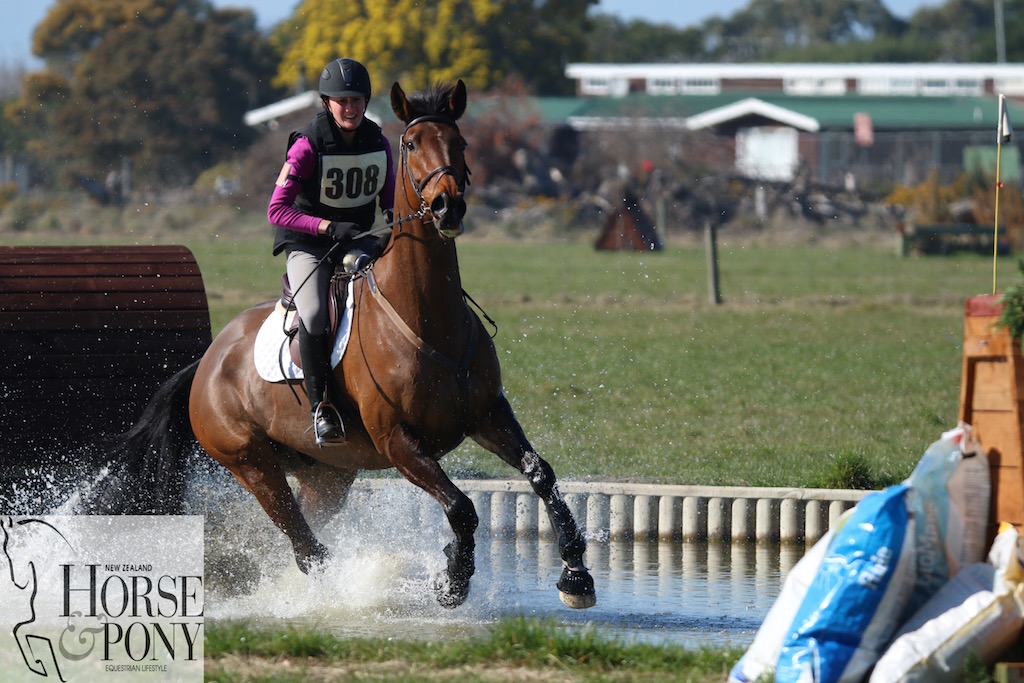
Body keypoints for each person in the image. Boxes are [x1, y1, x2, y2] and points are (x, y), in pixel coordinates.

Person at [267, 57, 396, 446]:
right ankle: (321, 408)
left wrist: (396, 225)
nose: (351, 107)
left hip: (356, 238)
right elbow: (277, 209)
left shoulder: (379, 142)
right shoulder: (307, 146)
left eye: (357, 99)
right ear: (327, 103)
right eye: (342, 100)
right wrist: (326, 226)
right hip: (308, 242)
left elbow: (390, 203)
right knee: (315, 311)